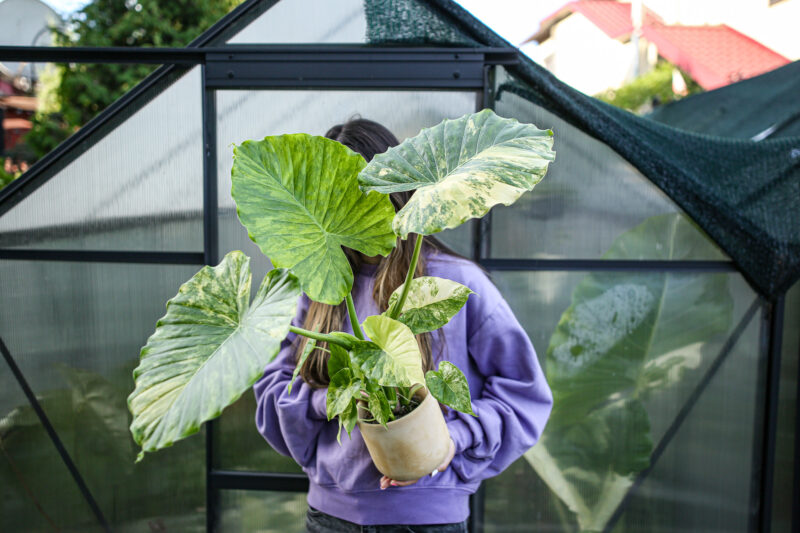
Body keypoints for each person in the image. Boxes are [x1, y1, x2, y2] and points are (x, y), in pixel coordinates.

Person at [253, 118, 553, 532]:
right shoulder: (318, 286)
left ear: (393, 191)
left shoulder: (455, 284)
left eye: (357, 196)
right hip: (330, 517)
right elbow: (273, 390)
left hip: (430, 520)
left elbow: (525, 395)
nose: (344, 211)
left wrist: (454, 441)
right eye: (330, 199)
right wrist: (336, 399)